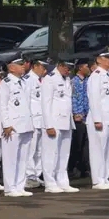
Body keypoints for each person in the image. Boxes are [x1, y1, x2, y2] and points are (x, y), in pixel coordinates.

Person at [39, 56, 78, 193]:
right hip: (54, 121)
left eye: (71, 68)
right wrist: (48, 125)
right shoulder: (49, 79)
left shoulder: (67, 79)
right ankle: (50, 183)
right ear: (60, 65)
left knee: (63, 154)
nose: (69, 71)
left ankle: (62, 181)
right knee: (50, 154)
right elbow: (45, 103)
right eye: (68, 67)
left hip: (66, 121)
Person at [0, 53, 34, 197]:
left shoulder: (24, 82)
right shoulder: (6, 83)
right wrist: (6, 124)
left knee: (23, 158)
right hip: (13, 125)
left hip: (25, 124)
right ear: (11, 68)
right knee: (11, 158)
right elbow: (3, 105)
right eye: (20, 64)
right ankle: (10, 188)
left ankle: (20, 185)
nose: (23, 66)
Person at [86, 47, 109, 189]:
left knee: (108, 150)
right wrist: (97, 119)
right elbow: (94, 99)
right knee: (98, 150)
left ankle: (105, 178)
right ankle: (97, 180)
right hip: (100, 119)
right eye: (106, 58)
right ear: (99, 60)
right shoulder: (96, 76)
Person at [24, 58, 48, 188]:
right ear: (35, 66)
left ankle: (37, 174)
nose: (45, 70)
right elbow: (26, 101)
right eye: (43, 67)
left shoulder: (41, 80)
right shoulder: (28, 80)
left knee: (39, 150)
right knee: (31, 150)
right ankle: (29, 175)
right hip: (33, 119)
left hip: (41, 120)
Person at [70, 58, 92, 178]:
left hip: (87, 116)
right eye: (86, 66)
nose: (88, 69)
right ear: (80, 68)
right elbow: (73, 98)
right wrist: (76, 113)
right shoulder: (74, 81)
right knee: (77, 144)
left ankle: (84, 168)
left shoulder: (88, 81)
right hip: (78, 117)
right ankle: (74, 167)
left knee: (86, 145)